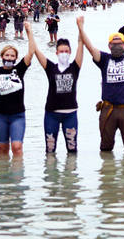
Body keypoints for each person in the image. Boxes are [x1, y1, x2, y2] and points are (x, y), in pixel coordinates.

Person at [77, 7, 124, 152]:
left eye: (120, 43)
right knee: (105, 149)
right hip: (108, 109)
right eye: (114, 44)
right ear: (109, 46)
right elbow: (90, 48)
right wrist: (80, 27)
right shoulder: (104, 59)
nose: (117, 46)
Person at [29, 22, 84, 154]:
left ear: (70, 52)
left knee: (72, 148)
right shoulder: (51, 68)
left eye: (66, 51)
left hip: (70, 113)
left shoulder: (74, 67)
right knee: (50, 149)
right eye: (61, 51)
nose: (64, 53)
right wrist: (29, 31)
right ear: (56, 52)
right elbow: (35, 50)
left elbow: (81, 45)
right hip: (51, 113)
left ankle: (70, 174)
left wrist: (80, 26)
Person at [0, 33, 35, 157]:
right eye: (7, 55)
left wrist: (29, 32)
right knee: (3, 149)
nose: (9, 58)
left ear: (16, 58)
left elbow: (31, 53)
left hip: (17, 115)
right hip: (0, 116)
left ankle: (17, 175)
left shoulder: (19, 70)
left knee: (17, 147)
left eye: (12, 56)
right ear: (2, 56)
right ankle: (3, 175)